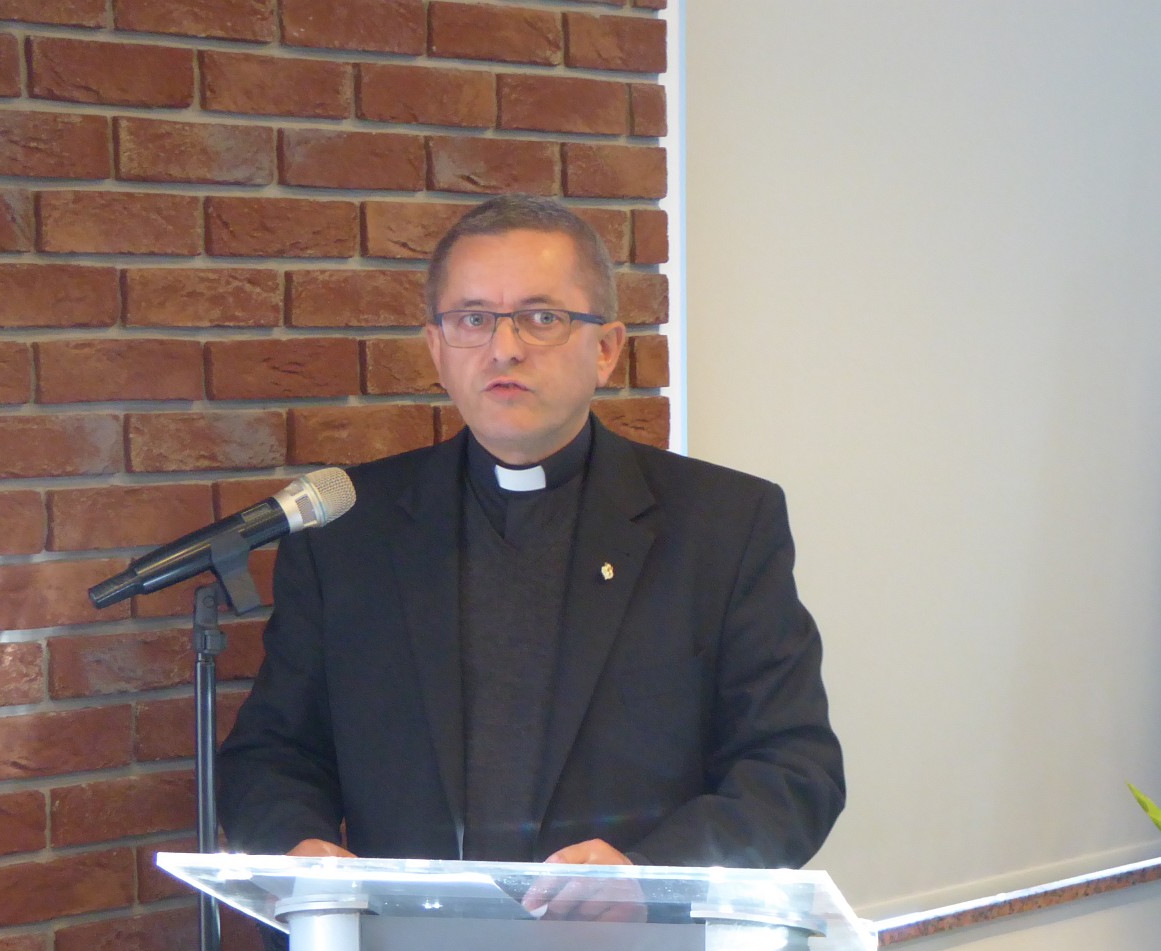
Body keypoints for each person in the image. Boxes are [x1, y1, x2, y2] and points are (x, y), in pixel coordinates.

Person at [219, 194, 844, 882]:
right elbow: (272, 754)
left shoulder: (722, 524)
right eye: (473, 319)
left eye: (542, 318)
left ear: (606, 349)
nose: (505, 347)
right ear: (437, 349)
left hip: (635, 940)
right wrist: (298, 848)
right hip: (405, 941)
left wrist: (650, 874)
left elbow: (793, 770)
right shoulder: (347, 532)